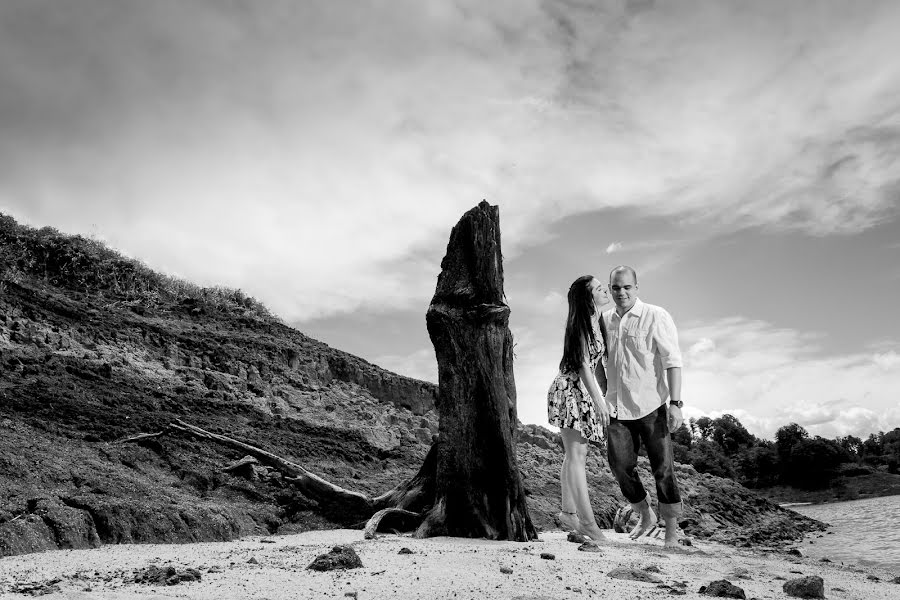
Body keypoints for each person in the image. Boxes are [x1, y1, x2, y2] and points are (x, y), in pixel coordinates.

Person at [603, 265, 684, 549]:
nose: (621, 292)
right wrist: (603, 395)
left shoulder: (655, 315)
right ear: (610, 288)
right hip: (615, 407)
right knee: (620, 466)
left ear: (636, 288)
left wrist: (675, 404)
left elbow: (672, 361)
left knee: (663, 469)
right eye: (615, 287)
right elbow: (601, 362)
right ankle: (645, 514)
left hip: (652, 406)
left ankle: (671, 530)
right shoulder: (604, 320)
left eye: (626, 287)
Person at [547, 275, 611, 542]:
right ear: (587, 298)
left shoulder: (596, 324)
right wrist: (599, 402)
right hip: (569, 391)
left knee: (574, 454)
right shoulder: (581, 325)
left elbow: (596, 367)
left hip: (578, 392)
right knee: (577, 456)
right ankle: (587, 522)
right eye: (599, 289)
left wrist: (603, 395)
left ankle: (569, 513)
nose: (604, 290)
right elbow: (584, 365)